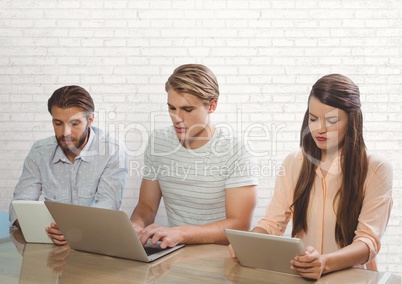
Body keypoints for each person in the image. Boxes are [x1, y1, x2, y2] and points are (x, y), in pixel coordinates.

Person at [243, 74, 393, 279]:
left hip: (352, 278)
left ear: (352, 121)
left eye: (331, 120)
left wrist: (325, 263)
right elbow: (272, 223)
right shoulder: (294, 162)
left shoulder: (376, 168)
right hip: (303, 276)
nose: (319, 129)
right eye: (313, 119)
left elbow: (368, 242)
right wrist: (249, 243)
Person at [130, 64, 258, 249]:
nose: (177, 117)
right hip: (174, 251)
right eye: (171, 108)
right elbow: (146, 206)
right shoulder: (158, 141)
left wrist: (180, 233)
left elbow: (239, 225)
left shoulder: (236, 149)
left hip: (221, 256)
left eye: (187, 110)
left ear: (212, 105)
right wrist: (137, 224)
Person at [9, 85, 128, 245]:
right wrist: (48, 228)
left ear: (90, 120)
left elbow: (108, 205)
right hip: (51, 241)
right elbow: (19, 207)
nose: (65, 132)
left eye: (74, 124)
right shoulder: (39, 152)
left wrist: (74, 230)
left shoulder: (112, 150)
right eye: (58, 123)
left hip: (97, 243)